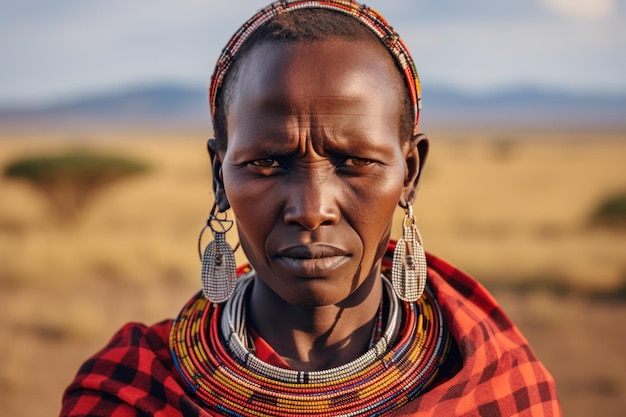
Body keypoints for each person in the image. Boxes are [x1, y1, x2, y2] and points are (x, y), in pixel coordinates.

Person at [60, 1, 561, 416]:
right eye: (268, 162)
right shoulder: (133, 390)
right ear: (219, 176)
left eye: (355, 161)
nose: (311, 208)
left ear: (410, 173)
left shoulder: (491, 384)